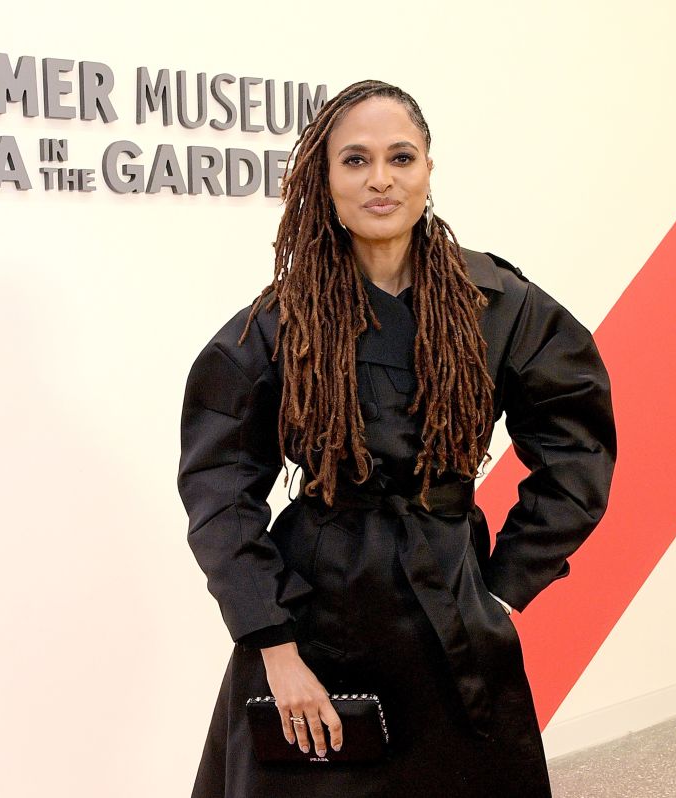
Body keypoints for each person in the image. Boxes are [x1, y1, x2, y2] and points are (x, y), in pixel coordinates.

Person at [176, 79, 616, 798]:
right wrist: (273, 645)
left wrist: (505, 587)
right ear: (325, 179)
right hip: (312, 616)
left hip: (453, 610)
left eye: (400, 157)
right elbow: (218, 489)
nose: (380, 178)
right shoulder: (280, 322)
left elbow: (577, 446)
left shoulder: (498, 305)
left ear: (427, 171)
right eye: (355, 160)